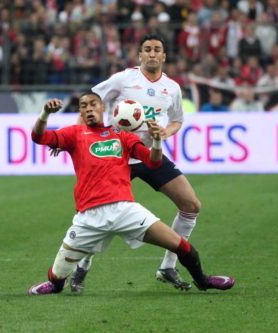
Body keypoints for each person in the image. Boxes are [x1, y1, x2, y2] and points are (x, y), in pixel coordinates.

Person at [28, 93, 235, 295]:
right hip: (89, 217)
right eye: (84, 106)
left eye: (93, 104)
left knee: (181, 245)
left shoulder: (123, 136)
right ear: (81, 112)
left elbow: (153, 162)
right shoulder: (74, 134)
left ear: (104, 108)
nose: (89, 108)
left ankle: (202, 280)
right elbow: (39, 137)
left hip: (125, 210)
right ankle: (57, 285)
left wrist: (155, 141)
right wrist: (45, 112)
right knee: (56, 276)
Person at [72, 34, 203, 292]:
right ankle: (81, 267)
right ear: (140, 55)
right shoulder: (123, 79)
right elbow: (89, 104)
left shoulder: (172, 88)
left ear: (164, 56)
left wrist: (165, 132)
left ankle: (168, 266)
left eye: (157, 50)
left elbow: (177, 119)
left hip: (149, 155)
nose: (152, 53)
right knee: (100, 214)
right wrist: (81, 139)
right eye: (147, 49)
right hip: (116, 155)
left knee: (191, 205)